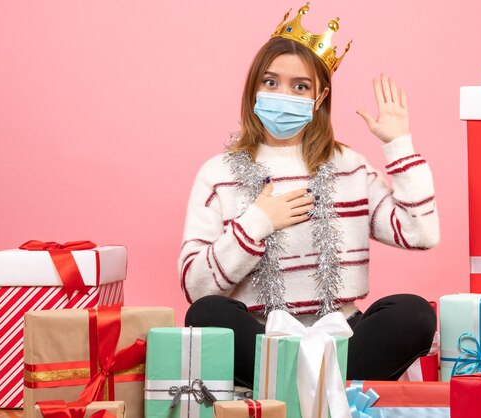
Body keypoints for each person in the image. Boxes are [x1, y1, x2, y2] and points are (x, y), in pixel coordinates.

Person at [179, 4, 439, 388]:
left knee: (414, 314)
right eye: (270, 82)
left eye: (300, 86)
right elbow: (195, 287)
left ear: (319, 99)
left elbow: (421, 234)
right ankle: (322, 389)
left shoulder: (349, 165)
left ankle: (291, 387)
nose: (283, 94)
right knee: (206, 314)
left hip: (342, 337)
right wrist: (256, 223)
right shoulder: (217, 173)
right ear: (253, 89)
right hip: (262, 339)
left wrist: (398, 145)